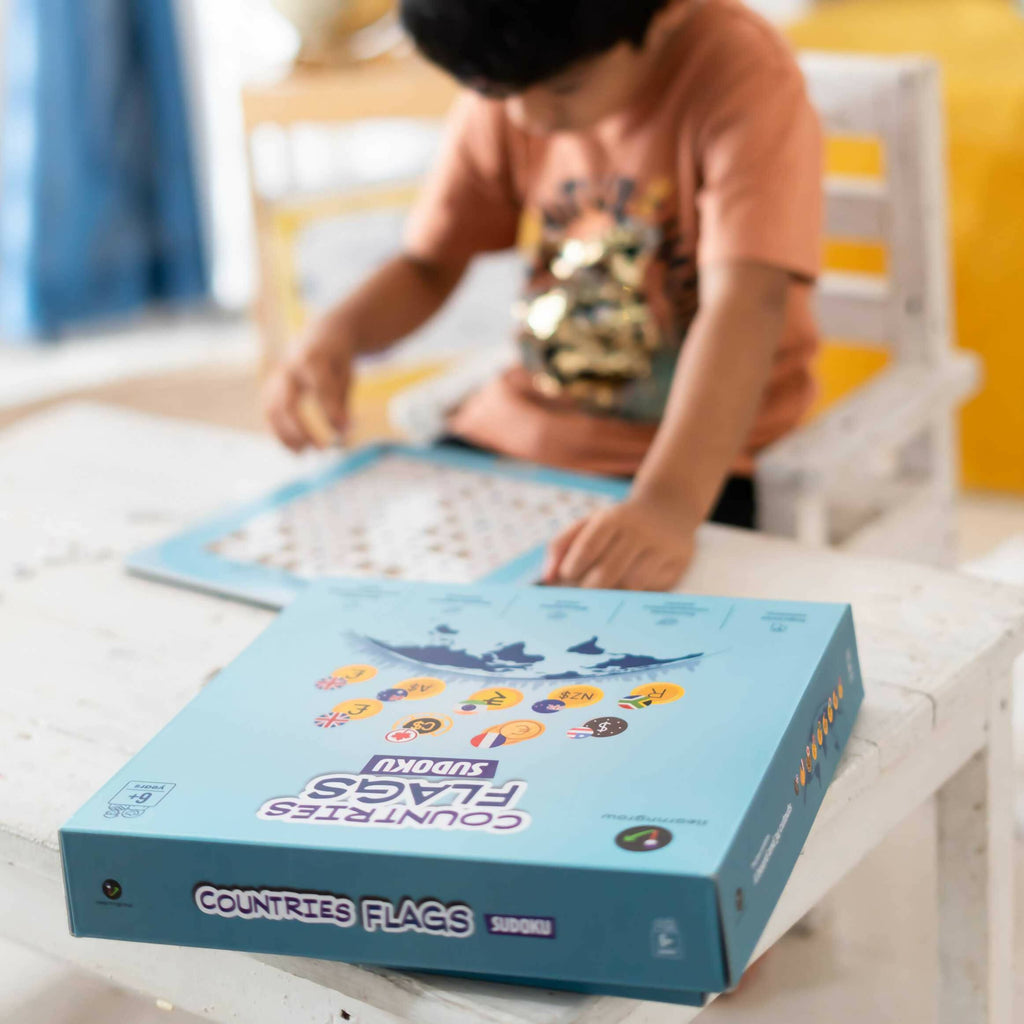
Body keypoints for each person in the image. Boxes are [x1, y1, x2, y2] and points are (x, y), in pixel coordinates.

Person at [264, 0, 823, 591]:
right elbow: (429, 265)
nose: (527, 118)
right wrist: (338, 333)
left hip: (696, 461)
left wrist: (667, 505)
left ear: (666, 13)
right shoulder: (517, 57)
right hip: (520, 431)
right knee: (367, 578)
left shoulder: (740, 71)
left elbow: (746, 305)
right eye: (494, 91)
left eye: (565, 87)